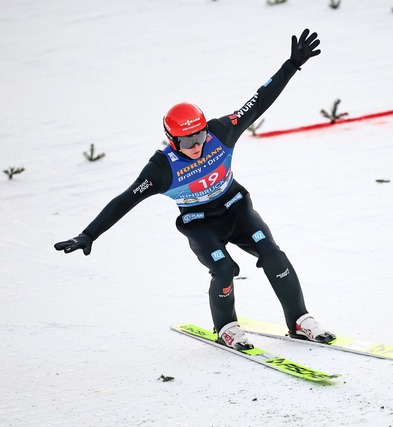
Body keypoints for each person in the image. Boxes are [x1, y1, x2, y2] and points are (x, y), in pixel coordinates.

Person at [54, 29, 335, 351]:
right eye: (187, 142)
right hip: (199, 223)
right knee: (225, 268)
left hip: (237, 208)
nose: (197, 146)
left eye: (199, 137)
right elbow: (124, 200)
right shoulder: (161, 168)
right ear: (171, 140)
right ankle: (226, 328)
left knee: (273, 254)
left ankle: (299, 321)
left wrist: (292, 64)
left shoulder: (220, 131)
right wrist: (89, 234)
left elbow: (257, 102)